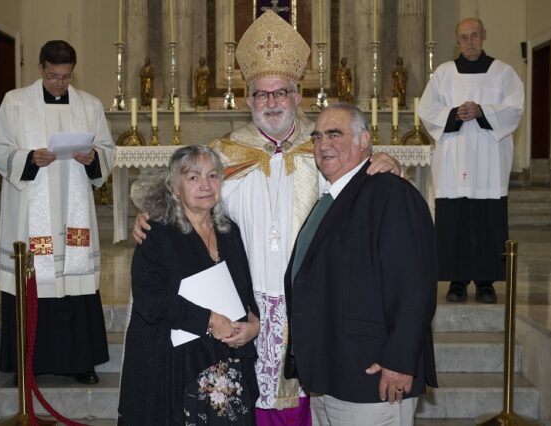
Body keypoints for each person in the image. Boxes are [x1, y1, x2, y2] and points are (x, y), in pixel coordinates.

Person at [133, 11, 401, 424]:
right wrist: (150, 215)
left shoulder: (326, 150)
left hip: (312, 298)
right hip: (242, 302)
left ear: (297, 97)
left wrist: (386, 162)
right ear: (248, 101)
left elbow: (363, 189)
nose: (271, 103)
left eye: (281, 93)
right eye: (261, 94)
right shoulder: (223, 153)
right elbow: (179, 188)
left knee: (310, 399)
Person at [284, 103, 437, 425]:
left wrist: (400, 360)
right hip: (330, 372)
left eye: (334, 134)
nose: (323, 144)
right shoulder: (331, 198)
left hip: (372, 375)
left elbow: (414, 286)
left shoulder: (391, 193)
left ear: (364, 139)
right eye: (317, 137)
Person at [0, 40, 115, 384]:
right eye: (54, 76)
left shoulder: (89, 105)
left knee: (76, 284)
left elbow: (107, 149)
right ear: (41, 68)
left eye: (66, 77)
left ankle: (81, 362)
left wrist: (93, 158)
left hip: (74, 216)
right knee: (34, 283)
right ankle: (27, 364)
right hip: (30, 215)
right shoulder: (15, 103)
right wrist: (29, 158)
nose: (60, 83)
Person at [118, 145, 260, 424]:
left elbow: (243, 290)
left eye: (213, 176)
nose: (205, 185)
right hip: (175, 366)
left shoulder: (229, 230)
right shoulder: (156, 232)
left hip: (225, 361)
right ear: (175, 187)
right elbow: (150, 300)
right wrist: (209, 320)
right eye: (193, 177)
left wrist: (253, 325)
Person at [418, 17, 524, 304]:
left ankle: (486, 282)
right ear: (457, 40)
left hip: (489, 160)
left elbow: (515, 108)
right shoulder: (443, 73)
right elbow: (426, 109)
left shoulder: (503, 73)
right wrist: (454, 114)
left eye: (474, 35)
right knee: (455, 220)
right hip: (454, 160)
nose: (470, 42)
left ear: (484, 35)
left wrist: (483, 111)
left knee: (489, 219)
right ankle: (457, 281)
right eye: (464, 37)